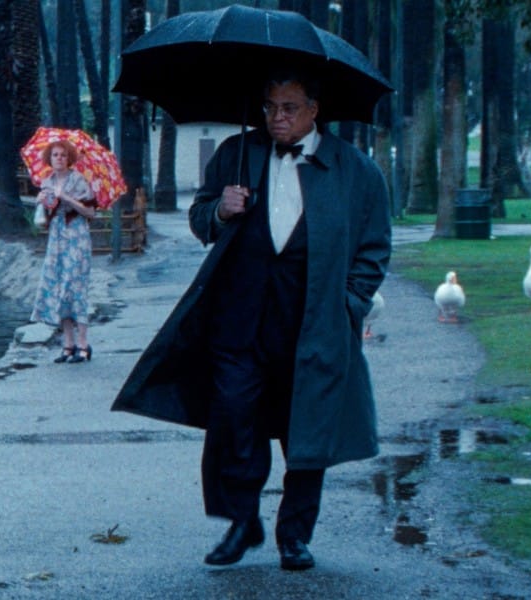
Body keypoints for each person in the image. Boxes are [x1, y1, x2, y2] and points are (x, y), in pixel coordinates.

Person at [112, 68, 391, 570]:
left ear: (314, 109)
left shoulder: (356, 172)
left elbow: (374, 250)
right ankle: (242, 522)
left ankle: (295, 535)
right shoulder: (237, 155)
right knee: (234, 421)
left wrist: (349, 303)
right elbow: (199, 219)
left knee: (307, 429)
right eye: (269, 107)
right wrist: (221, 209)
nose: (276, 118)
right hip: (238, 320)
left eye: (288, 108)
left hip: (313, 325)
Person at [30, 139, 97, 364]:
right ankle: (68, 345)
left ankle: (83, 344)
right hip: (56, 236)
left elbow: (90, 213)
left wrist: (66, 197)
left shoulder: (78, 181)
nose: (59, 158)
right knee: (59, 288)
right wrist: (41, 202)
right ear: (49, 158)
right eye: (55, 155)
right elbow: (44, 219)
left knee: (74, 287)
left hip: (76, 235)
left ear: (69, 158)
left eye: (63, 155)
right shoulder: (46, 182)